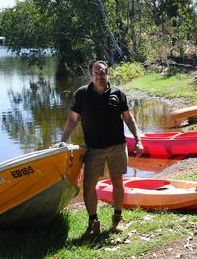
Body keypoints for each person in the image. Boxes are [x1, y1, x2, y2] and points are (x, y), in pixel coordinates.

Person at [60, 60, 144, 236]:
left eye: (103, 72)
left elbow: (128, 118)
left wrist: (138, 139)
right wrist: (62, 141)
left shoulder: (117, 93)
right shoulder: (82, 94)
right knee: (89, 184)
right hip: (93, 148)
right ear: (91, 74)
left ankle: (118, 218)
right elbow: (73, 120)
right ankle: (93, 221)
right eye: (96, 73)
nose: (100, 75)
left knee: (118, 182)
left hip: (117, 146)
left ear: (107, 74)